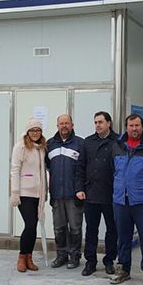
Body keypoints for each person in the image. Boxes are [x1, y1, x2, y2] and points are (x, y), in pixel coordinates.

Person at [109, 113, 143, 285]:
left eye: (137, 125)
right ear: (126, 127)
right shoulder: (117, 146)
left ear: (142, 126)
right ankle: (123, 269)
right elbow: (113, 170)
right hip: (120, 200)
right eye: (131, 126)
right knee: (123, 237)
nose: (134, 129)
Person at [76, 111, 119, 276]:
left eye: (101, 122)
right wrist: (79, 188)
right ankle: (90, 262)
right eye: (95, 122)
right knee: (91, 230)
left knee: (112, 229)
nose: (97, 125)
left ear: (109, 123)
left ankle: (109, 261)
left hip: (111, 194)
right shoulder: (88, 142)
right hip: (91, 193)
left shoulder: (117, 141)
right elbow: (80, 167)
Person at [46, 114, 86, 269]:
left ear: (72, 125)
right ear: (57, 126)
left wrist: (80, 189)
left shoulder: (80, 144)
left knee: (75, 228)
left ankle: (74, 256)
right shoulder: (50, 144)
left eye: (67, 123)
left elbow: (83, 169)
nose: (64, 126)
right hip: (56, 195)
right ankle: (61, 255)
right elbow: (47, 166)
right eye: (61, 123)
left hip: (73, 195)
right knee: (59, 227)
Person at [9, 118, 48, 273]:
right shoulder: (20, 147)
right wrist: (15, 192)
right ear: (27, 132)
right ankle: (21, 257)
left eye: (38, 130)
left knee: (33, 228)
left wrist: (45, 192)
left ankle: (29, 258)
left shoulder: (42, 148)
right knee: (30, 225)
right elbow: (15, 170)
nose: (35, 133)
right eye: (32, 130)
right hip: (24, 193)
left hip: (38, 194)